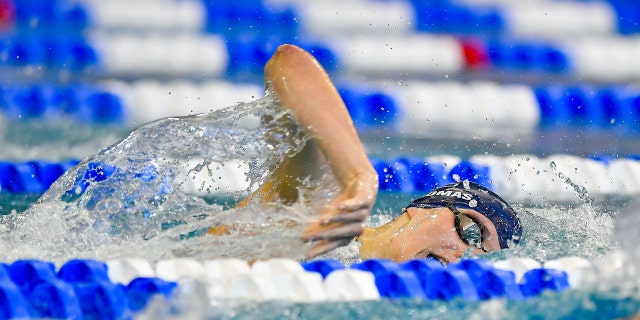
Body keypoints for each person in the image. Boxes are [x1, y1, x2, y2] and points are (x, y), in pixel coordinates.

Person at [210, 44, 522, 263]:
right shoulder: (321, 208)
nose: (458, 256)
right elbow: (288, 63)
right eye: (471, 233)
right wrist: (360, 178)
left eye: (475, 258)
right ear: (423, 208)